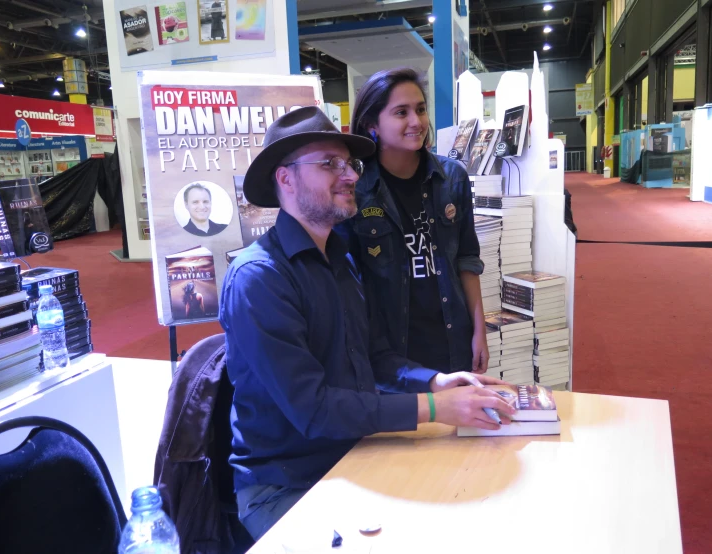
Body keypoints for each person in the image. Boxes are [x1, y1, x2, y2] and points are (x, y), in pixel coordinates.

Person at [219, 106, 516, 542]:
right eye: (328, 164)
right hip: (285, 485)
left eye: (349, 164)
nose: (351, 176)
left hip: (351, 453)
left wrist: (435, 381)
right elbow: (314, 410)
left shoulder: (340, 260)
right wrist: (431, 409)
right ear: (285, 179)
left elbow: (374, 356)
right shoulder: (259, 280)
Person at [340, 67, 488, 375]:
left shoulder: (452, 178)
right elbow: (347, 281)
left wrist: (479, 331)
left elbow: (467, 260)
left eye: (420, 109)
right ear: (372, 125)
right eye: (400, 112)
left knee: (456, 422)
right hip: (391, 353)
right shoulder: (356, 189)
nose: (416, 122)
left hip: (452, 340)